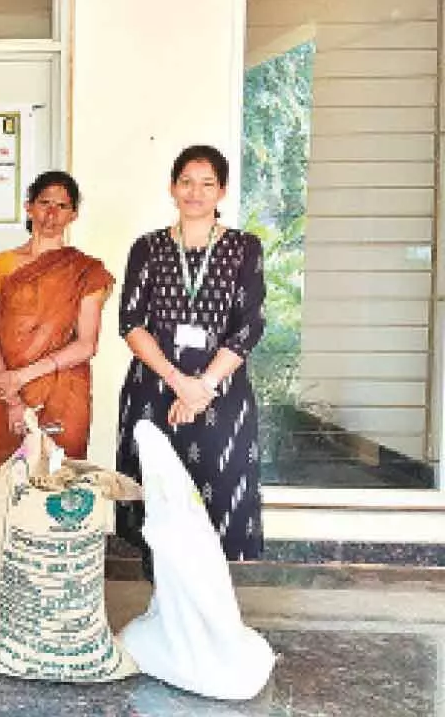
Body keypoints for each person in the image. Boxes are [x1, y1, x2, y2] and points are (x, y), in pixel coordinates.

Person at [0, 170, 114, 637]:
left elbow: (86, 344)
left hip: (61, 395)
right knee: (4, 495)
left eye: (62, 206)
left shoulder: (87, 271)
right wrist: (8, 391)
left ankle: (48, 615)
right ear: (28, 207)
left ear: (74, 214)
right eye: (43, 203)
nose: (51, 214)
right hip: (6, 395)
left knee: (55, 498)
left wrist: (21, 378)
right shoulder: (3, 264)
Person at [115, 145, 266, 577]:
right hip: (155, 391)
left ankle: (207, 615)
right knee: (158, 499)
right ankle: (162, 608)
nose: (195, 192)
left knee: (215, 498)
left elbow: (249, 325)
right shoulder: (147, 248)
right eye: (186, 182)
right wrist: (179, 381)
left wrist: (203, 387)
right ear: (171, 188)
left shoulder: (244, 249)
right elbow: (130, 322)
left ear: (222, 191)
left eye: (207, 184)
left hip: (221, 394)